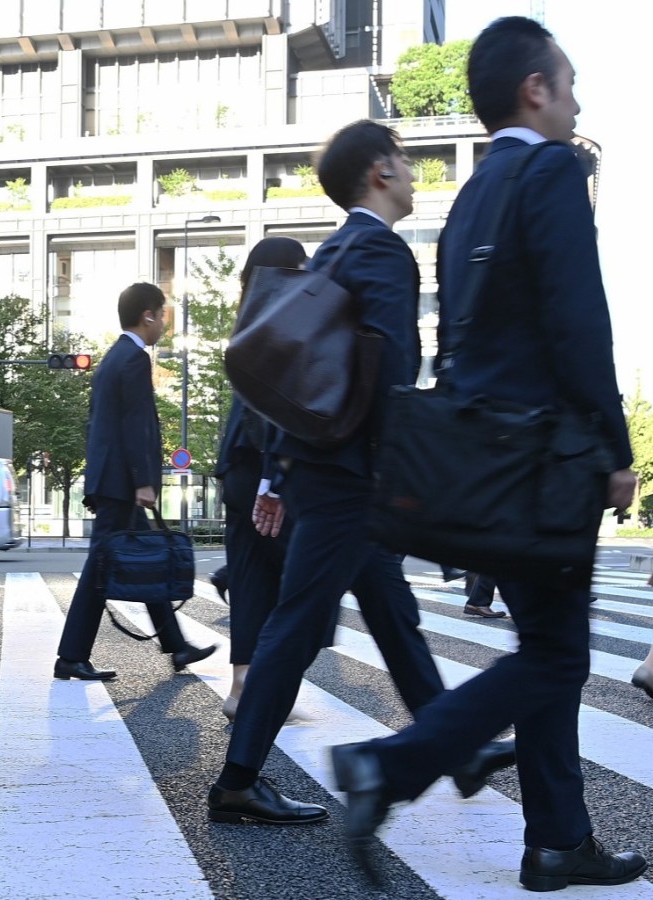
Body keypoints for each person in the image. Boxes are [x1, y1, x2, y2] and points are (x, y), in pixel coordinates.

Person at [329, 19, 647, 891]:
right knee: (555, 653)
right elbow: (580, 319)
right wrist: (615, 448)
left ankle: (556, 841)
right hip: (544, 459)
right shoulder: (549, 171)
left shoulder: (471, 194)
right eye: (569, 81)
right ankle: (389, 767)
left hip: (487, 463)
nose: (578, 99)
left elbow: (461, 339)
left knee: (549, 644)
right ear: (534, 90)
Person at [208, 120, 514, 828]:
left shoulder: (331, 252)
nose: (411, 174)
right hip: (355, 476)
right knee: (297, 622)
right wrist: (406, 470)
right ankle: (237, 780)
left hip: (327, 468)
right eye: (404, 162)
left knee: (393, 614)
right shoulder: (380, 252)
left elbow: (299, 369)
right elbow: (390, 376)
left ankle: (454, 749)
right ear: (379, 172)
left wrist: (283, 471)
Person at [54, 282, 217, 681]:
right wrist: (142, 481)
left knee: (148, 559)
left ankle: (176, 647)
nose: (164, 322)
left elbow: (103, 425)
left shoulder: (116, 358)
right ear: (147, 315)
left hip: (111, 481)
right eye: (162, 314)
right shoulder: (132, 359)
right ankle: (71, 655)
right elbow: (135, 426)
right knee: (102, 568)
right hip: (121, 484)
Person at [215, 237, 308, 719]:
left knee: (251, 578)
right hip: (264, 468)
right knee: (304, 582)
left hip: (236, 468)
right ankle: (266, 687)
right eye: (301, 267)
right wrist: (276, 479)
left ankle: (242, 686)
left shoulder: (246, 320)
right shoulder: (280, 320)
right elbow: (270, 412)